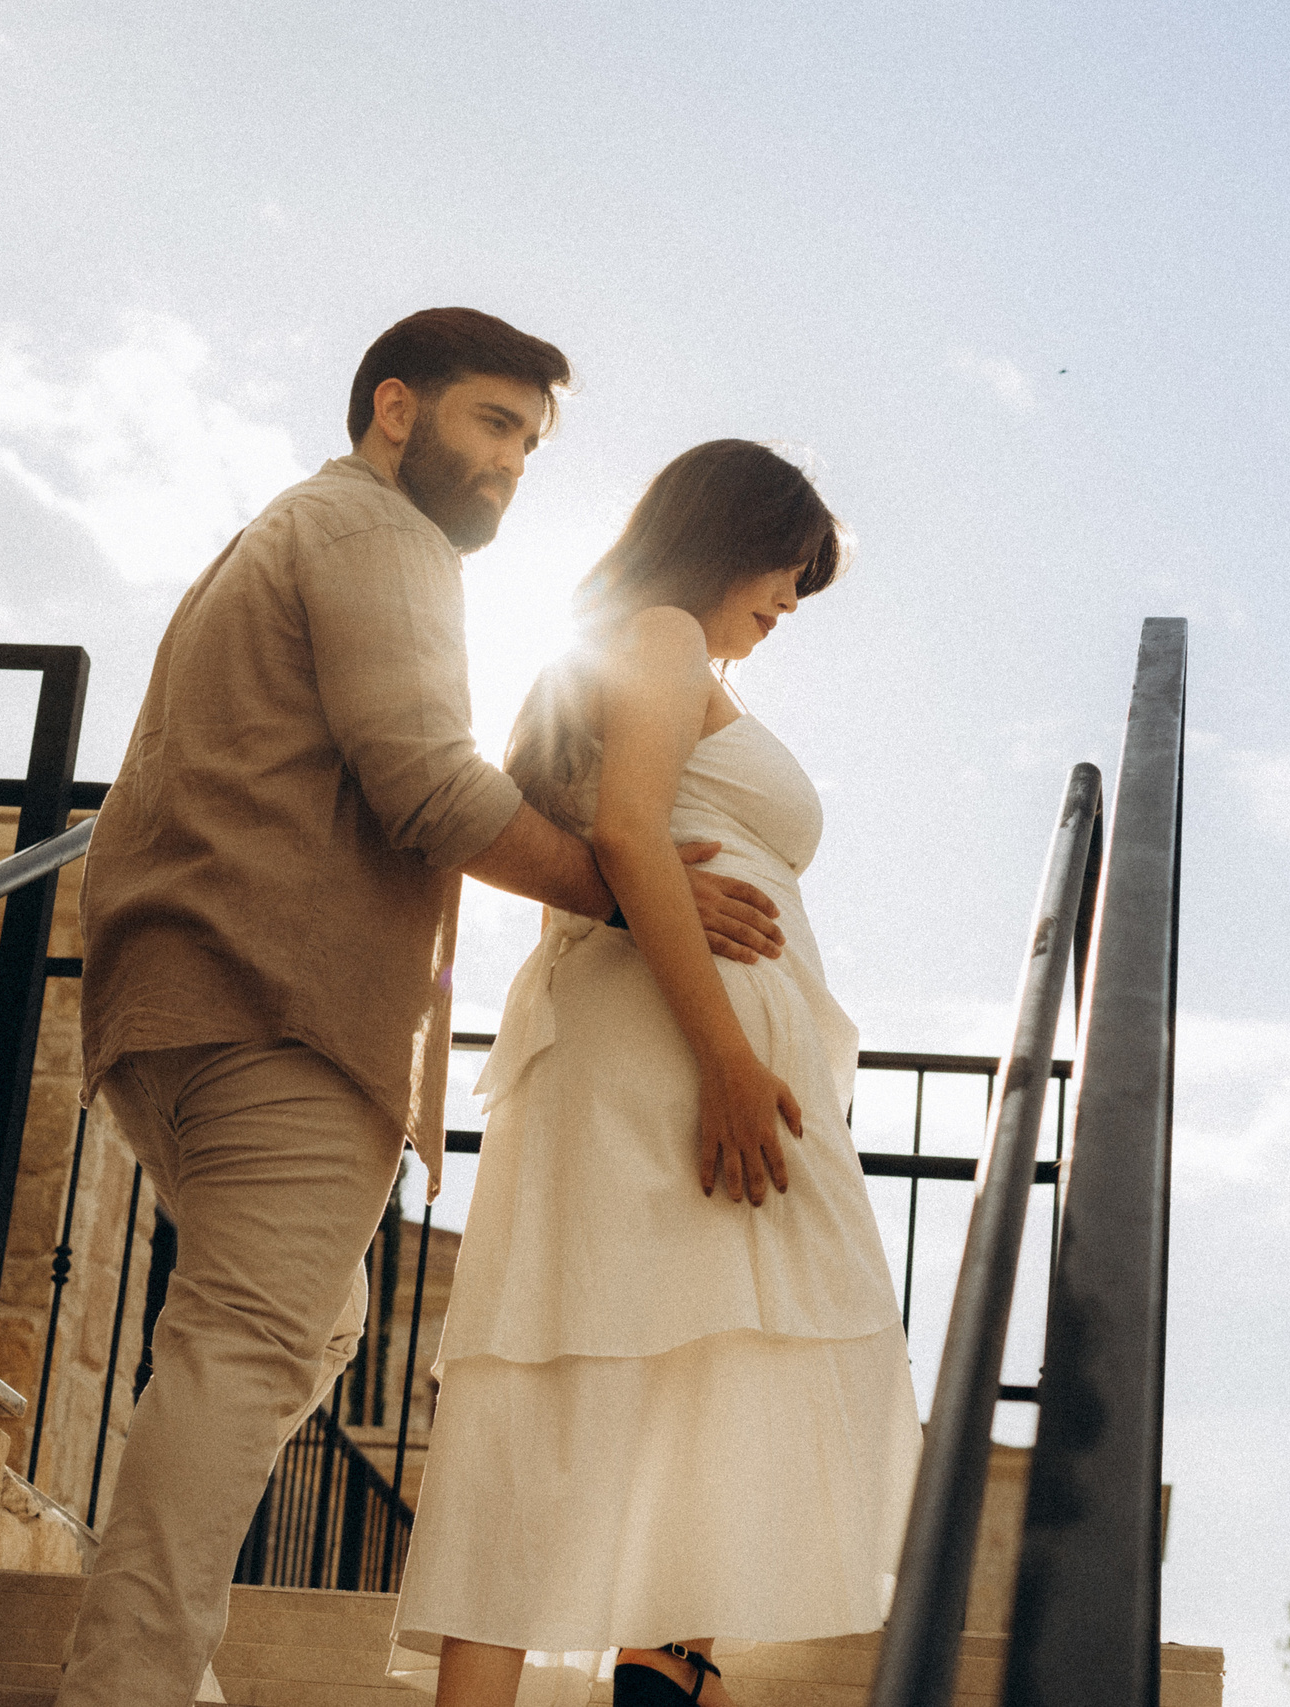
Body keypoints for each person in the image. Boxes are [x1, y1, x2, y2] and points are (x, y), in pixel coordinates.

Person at [60, 312, 790, 1707]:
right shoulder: (376, 532)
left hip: (192, 995)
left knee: (311, 1325)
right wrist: (641, 895)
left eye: (530, 441)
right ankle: (126, 1686)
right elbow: (430, 787)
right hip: (273, 1003)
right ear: (396, 410)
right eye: (491, 422)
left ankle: (157, 1664)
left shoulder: (300, 532)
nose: (511, 461)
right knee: (246, 1348)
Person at [389, 441, 921, 1707]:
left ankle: (666, 1657)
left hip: (635, 1039)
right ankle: (668, 1656)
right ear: (727, 534)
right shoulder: (664, 635)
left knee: (589, 1355)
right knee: (681, 1345)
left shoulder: (613, 655)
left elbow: (579, 844)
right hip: (678, 1049)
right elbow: (630, 835)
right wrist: (730, 1061)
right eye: (788, 570)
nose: (789, 603)